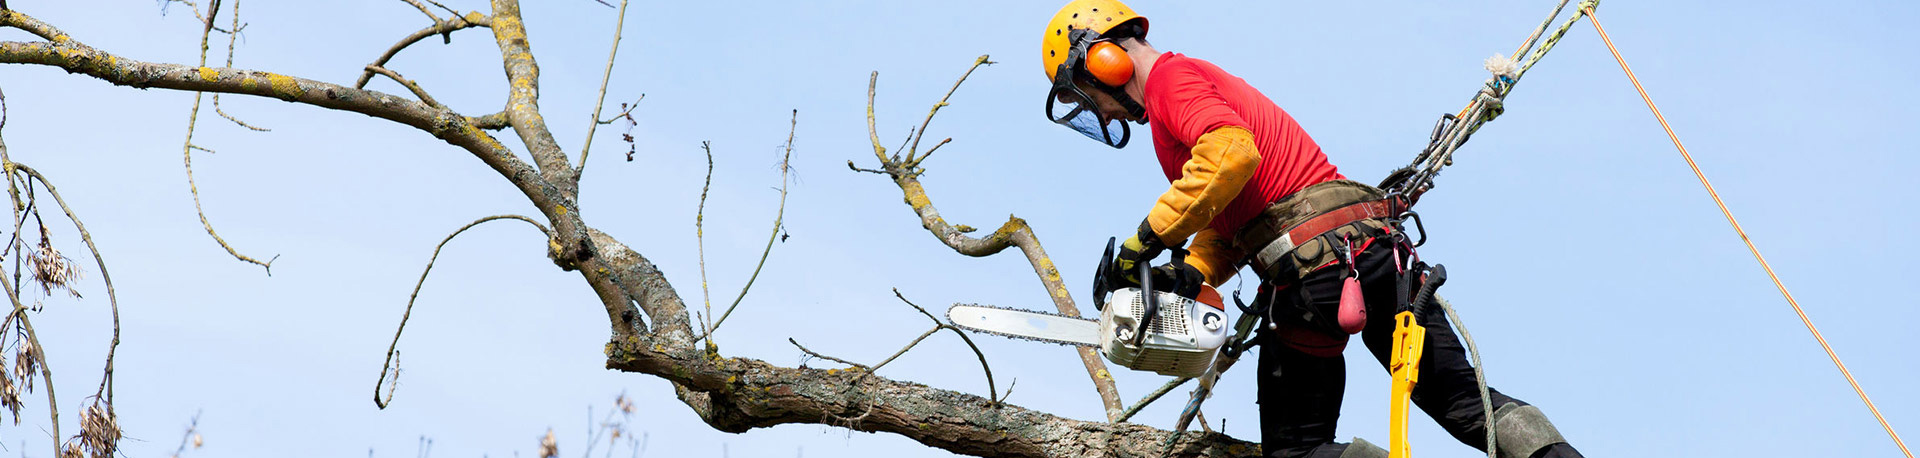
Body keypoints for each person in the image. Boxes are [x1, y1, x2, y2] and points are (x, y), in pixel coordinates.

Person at [1039, 2, 1585, 457]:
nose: (1103, 112)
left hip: (1314, 274)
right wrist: (1193, 270)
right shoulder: (1192, 84)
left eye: (1087, 94)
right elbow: (1233, 211)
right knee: (1467, 405)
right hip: (1373, 253)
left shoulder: (1170, 82)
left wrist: (1144, 241)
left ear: (1103, 59)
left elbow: (1230, 155)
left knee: (1297, 450)